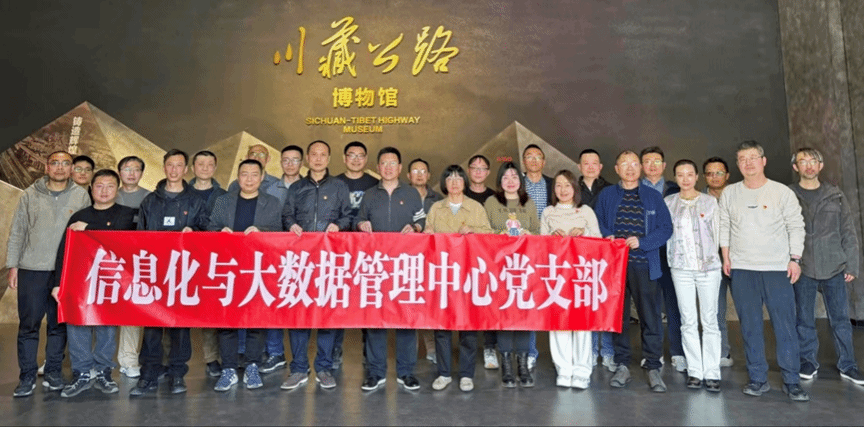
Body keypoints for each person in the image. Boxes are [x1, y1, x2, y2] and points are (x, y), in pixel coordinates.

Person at [719, 140, 808, 401]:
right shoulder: (730, 193)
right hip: (742, 269)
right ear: (738, 164)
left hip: (777, 268)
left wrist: (795, 259)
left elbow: (796, 226)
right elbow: (724, 225)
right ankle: (758, 378)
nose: (748, 163)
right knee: (750, 326)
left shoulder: (781, 192)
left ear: (763, 161)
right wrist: (726, 256)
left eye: (753, 158)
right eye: (743, 159)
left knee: (785, 326)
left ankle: (792, 380)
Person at [7, 151, 90, 397]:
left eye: (66, 163)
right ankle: (27, 376)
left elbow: (87, 235)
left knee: (58, 326)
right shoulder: (30, 195)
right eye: (55, 163)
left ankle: (53, 372)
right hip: (32, 269)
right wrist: (13, 265)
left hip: (64, 272)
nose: (60, 167)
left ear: (72, 168)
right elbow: (18, 231)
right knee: (29, 326)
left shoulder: (81, 196)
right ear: (47, 167)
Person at [130, 149, 209, 396]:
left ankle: (177, 374)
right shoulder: (150, 201)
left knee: (180, 325)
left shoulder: (196, 201)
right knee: (152, 324)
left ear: (185, 169)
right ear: (164, 168)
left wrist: (194, 233)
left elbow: (207, 234)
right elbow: (138, 237)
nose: (174, 170)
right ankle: (149, 374)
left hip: (183, 272)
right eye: (170, 165)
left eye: (179, 166)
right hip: (154, 271)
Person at [52, 169, 135, 397]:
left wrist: (88, 229)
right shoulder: (79, 216)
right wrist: (58, 283)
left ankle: (103, 372)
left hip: (110, 281)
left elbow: (121, 238)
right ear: (91, 189)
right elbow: (64, 250)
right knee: (77, 324)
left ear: (117, 189)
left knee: (106, 326)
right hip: (80, 280)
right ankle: (81, 372)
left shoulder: (127, 214)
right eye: (99, 186)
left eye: (110, 186)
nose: (104, 190)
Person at [594, 150, 672, 392]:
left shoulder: (652, 196)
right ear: (616, 169)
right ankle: (622, 365)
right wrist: (607, 236)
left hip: (644, 264)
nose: (630, 168)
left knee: (650, 317)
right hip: (615, 266)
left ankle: (653, 366)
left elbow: (666, 228)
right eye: (624, 164)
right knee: (619, 318)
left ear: (640, 168)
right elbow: (597, 222)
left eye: (634, 164)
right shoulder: (607, 195)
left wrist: (643, 242)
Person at [789, 147, 864, 385]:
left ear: (820, 166)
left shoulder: (835, 195)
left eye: (814, 161)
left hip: (834, 266)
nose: (809, 165)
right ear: (796, 167)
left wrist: (852, 265)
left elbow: (848, 232)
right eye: (803, 161)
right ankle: (808, 361)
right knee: (804, 319)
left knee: (841, 319)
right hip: (803, 267)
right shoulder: (788, 195)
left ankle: (848, 365)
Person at [280, 140, 351, 390]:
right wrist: (291, 224)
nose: (318, 159)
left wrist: (339, 225)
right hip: (301, 260)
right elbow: (287, 214)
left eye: (323, 155)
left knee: (326, 315)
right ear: (307, 159)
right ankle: (299, 368)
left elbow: (348, 215)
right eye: (314, 154)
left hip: (329, 259)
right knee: (299, 314)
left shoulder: (339, 187)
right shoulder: (297, 187)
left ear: (329, 159)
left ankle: (324, 367)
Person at [208, 159, 283, 392]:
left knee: (255, 319)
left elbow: (280, 233)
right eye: (244, 174)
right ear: (237, 177)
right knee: (227, 319)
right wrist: (219, 232)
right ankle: (229, 368)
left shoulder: (272, 203)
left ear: (262, 177)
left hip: (258, 268)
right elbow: (210, 228)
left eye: (254, 174)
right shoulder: (223, 201)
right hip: (228, 268)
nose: (249, 179)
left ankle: (252, 365)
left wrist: (262, 232)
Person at [355, 147, 426, 392]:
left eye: (392, 163)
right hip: (376, 265)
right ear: (378, 167)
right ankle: (375, 372)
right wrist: (361, 224)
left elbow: (422, 220)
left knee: (406, 318)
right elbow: (358, 219)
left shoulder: (411, 193)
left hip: (404, 265)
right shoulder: (369, 194)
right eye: (384, 163)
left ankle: (406, 372)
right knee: (376, 319)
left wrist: (416, 228)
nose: (388, 167)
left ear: (400, 167)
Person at [425, 165, 493, 392]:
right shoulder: (436, 208)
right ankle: (444, 373)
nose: (454, 183)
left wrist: (473, 230)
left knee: (468, 326)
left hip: (468, 274)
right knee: (442, 326)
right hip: (442, 274)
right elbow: (427, 238)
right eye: (449, 179)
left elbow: (489, 235)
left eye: (458, 178)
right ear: (444, 184)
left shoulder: (476, 207)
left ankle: (466, 374)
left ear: (465, 182)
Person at [665, 160, 722, 392]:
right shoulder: (668, 203)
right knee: (688, 320)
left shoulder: (710, 202)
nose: (685, 179)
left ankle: (712, 372)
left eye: (690, 174)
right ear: (675, 178)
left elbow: (717, 234)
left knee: (710, 320)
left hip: (708, 268)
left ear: (697, 176)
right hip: (681, 268)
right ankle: (695, 371)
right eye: (680, 175)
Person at [541, 170, 601, 389]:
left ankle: (582, 370)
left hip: (582, 274)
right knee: (559, 323)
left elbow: (600, 241)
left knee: (582, 323)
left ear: (575, 188)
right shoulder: (548, 212)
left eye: (567, 185)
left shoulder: (585, 211)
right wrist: (551, 237)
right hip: (556, 274)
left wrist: (584, 233)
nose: (563, 190)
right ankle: (564, 369)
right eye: (558, 185)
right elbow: (540, 245)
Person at [484, 162, 540, 388]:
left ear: (520, 180)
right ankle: (506, 365)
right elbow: (485, 232)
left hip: (525, 267)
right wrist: (501, 234)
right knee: (505, 314)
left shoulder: (529, 203)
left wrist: (528, 234)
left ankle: (523, 366)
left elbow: (538, 232)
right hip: (500, 267)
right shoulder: (491, 202)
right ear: (500, 181)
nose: (510, 180)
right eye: (505, 176)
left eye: (514, 176)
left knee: (524, 314)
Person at [257, 145, 305, 376]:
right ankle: (275, 353)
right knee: (272, 303)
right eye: (286, 160)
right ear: (280, 162)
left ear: (302, 163)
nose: (290, 164)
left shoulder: (308, 188)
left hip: (302, 256)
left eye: (295, 160)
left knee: (298, 304)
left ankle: (300, 359)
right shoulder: (267, 189)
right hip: (272, 254)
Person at [334, 140, 379, 367]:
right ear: (344, 158)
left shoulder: (375, 184)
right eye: (351, 155)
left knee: (367, 298)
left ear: (366, 159)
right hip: (339, 250)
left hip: (366, 250)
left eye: (360, 155)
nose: (355, 159)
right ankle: (335, 351)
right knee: (337, 299)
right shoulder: (334, 183)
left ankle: (369, 352)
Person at [640, 146, 684, 372]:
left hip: (672, 254)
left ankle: (678, 352)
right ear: (641, 166)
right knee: (650, 306)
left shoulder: (676, 190)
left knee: (674, 304)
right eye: (647, 161)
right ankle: (653, 353)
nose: (652, 165)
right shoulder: (634, 189)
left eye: (656, 161)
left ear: (664, 165)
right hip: (645, 253)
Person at [187, 150, 227, 377]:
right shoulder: (182, 192)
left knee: (211, 310)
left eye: (209, 164)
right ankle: (170, 359)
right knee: (176, 308)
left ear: (215, 167)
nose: (204, 168)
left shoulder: (223, 196)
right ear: (193, 167)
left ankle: (212, 358)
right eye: (200, 164)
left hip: (213, 259)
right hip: (184, 258)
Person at [577, 148, 614, 371]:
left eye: (594, 163)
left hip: (605, 253)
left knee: (605, 302)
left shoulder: (611, 189)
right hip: (579, 254)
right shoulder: (572, 189)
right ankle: (590, 350)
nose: (590, 167)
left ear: (600, 167)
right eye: (586, 163)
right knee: (585, 302)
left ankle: (607, 351)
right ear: (579, 166)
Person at [115, 155, 151, 379]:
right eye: (126, 169)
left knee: (132, 309)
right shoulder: (108, 192)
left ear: (142, 173)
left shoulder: (150, 198)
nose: (131, 173)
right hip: (107, 260)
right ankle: (96, 362)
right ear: (119, 172)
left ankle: (128, 359)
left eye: (136, 169)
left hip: (137, 261)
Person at [407, 158, 442, 364]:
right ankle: (410, 349)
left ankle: (431, 347)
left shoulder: (438, 200)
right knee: (409, 301)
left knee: (429, 302)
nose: (419, 175)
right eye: (415, 171)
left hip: (432, 257)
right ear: (408, 175)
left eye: (423, 171)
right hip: (407, 257)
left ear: (429, 175)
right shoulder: (400, 195)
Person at [521, 144, 553, 369]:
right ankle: (530, 351)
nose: (533, 160)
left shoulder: (553, 184)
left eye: (537, 157)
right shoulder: (515, 183)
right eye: (529, 157)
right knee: (528, 299)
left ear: (544, 162)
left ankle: (560, 354)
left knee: (554, 296)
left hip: (551, 249)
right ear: (524, 161)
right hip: (524, 249)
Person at [703, 157, 735, 368]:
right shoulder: (699, 199)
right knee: (715, 309)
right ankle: (722, 352)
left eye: (719, 173)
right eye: (710, 173)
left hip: (739, 259)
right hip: (711, 261)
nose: (715, 177)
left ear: (727, 175)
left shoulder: (737, 196)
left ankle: (755, 356)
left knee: (747, 308)